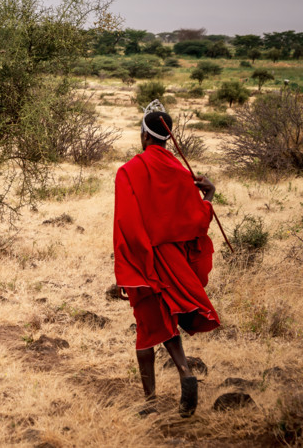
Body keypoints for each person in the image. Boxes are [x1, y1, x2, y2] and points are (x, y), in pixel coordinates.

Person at [113, 100, 220, 418]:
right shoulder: (179, 171)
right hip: (174, 261)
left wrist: (128, 267)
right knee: (165, 319)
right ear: (165, 137)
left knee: (146, 328)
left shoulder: (128, 172)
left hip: (144, 258)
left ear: (145, 137)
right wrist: (209, 195)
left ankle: (149, 404)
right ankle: (185, 372)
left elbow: (126, 225)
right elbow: (195, 222)